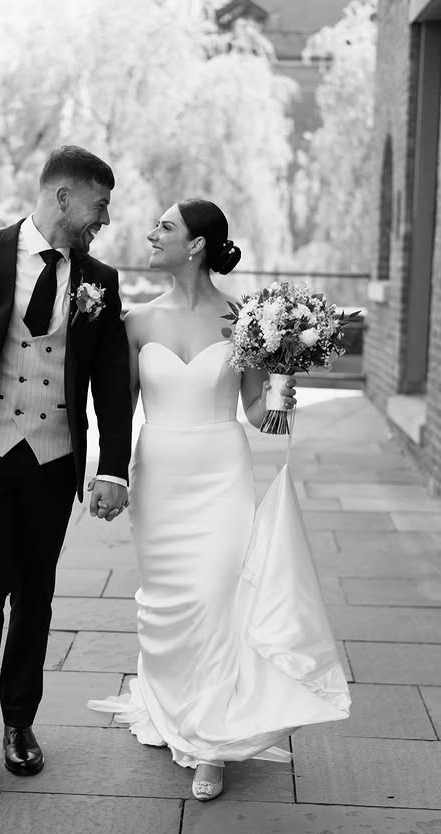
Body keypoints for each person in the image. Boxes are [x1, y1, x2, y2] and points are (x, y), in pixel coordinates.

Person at [88, 199, 350, 801]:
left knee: (215, 597)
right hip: (159, 474)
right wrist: (111, 475)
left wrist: (284, 376)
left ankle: (211, 742)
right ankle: (168, 704)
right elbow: (117, 412)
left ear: (197, 244)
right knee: (165, 601)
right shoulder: (136, 322)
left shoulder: (245, 319)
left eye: (165, 227)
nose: (152, 234)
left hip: (221, 474)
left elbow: (261, 417)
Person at [0, 145, 132, 790]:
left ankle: (19, 725)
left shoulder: (100, 278)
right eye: (100, 205)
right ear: (63, 196)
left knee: (35, 594)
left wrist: (113, 466)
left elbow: (110, 382)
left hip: (54, 459)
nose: (105, 219)